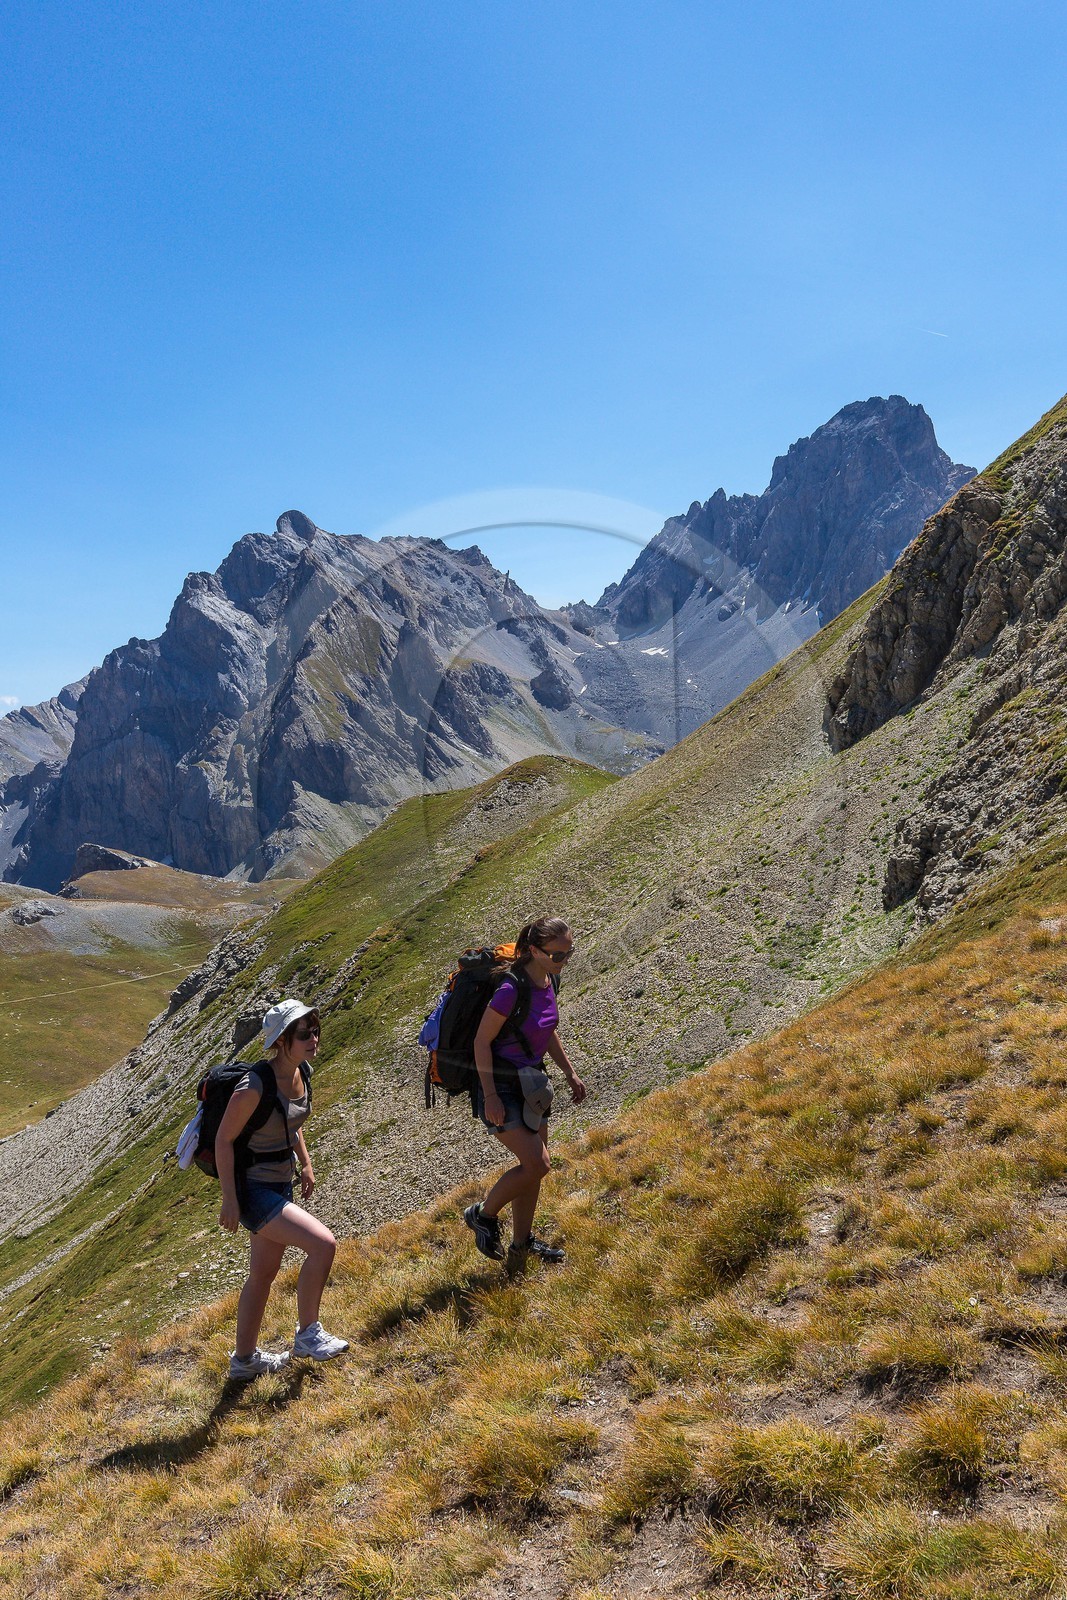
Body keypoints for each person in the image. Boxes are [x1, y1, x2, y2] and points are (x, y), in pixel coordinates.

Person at [216, 997, 349, 1379]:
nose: (314, 1039)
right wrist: (230, 1199)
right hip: (253, 1190)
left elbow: (290, 1122)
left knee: (263, 1274)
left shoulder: (301, 1071)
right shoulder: (254, 1085)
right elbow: (225, 1141)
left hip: (279, 1182)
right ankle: (308, 1334)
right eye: (304, 1034)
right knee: (323, 1244)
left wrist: (304, 1162)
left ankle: (244, 1362)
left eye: (315, 1031)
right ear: (281, 1041)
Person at [464, 917, 586, 1263]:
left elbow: (545, 1030)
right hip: (501, 1083)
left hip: (533, 1079)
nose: (565, 960)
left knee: (533, 1168)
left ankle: (522, 1243)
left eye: (569, 952)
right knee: (539, 1163)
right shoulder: (510, 989)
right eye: (558, 954)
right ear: (534, 950)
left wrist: (569, 1072)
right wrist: (490, 1095)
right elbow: (481, 1041)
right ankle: (483, 1215)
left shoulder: (550, 979)